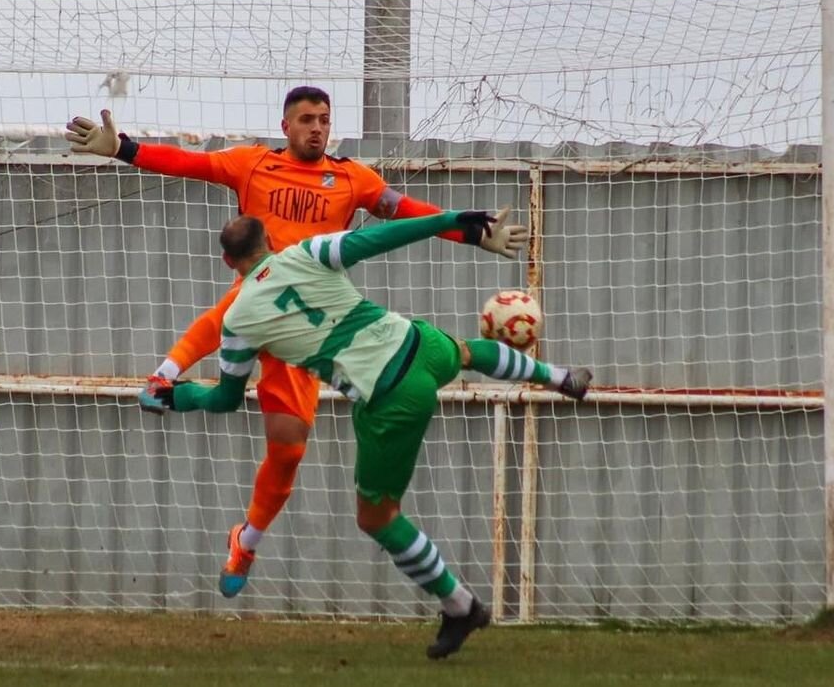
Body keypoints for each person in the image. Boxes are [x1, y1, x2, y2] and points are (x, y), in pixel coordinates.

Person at [65, 86, 529, 598]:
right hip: (256, 306)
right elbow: (188, 163)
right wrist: (123, 148)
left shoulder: (353, 178)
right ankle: (165, 375)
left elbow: (403, 211)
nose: (317, 127)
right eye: (306, 118)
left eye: (324, 119)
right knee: (233, 308)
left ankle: (247, 540)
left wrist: (470, 232)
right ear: (285, 126)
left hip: (308, 331)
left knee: (287, 450)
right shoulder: (253, 164)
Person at [147, 211, 592, 659]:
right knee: (464, 351)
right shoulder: (308, 252)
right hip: (416, 343)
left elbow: (225, 398)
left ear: (228, 262)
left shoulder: (238, 321)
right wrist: (451, 220)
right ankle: (560, 377)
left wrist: (177, 397)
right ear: (270, 239)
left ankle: (461, 606)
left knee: (377, 517)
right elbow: (383, 237)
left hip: (390, 396)